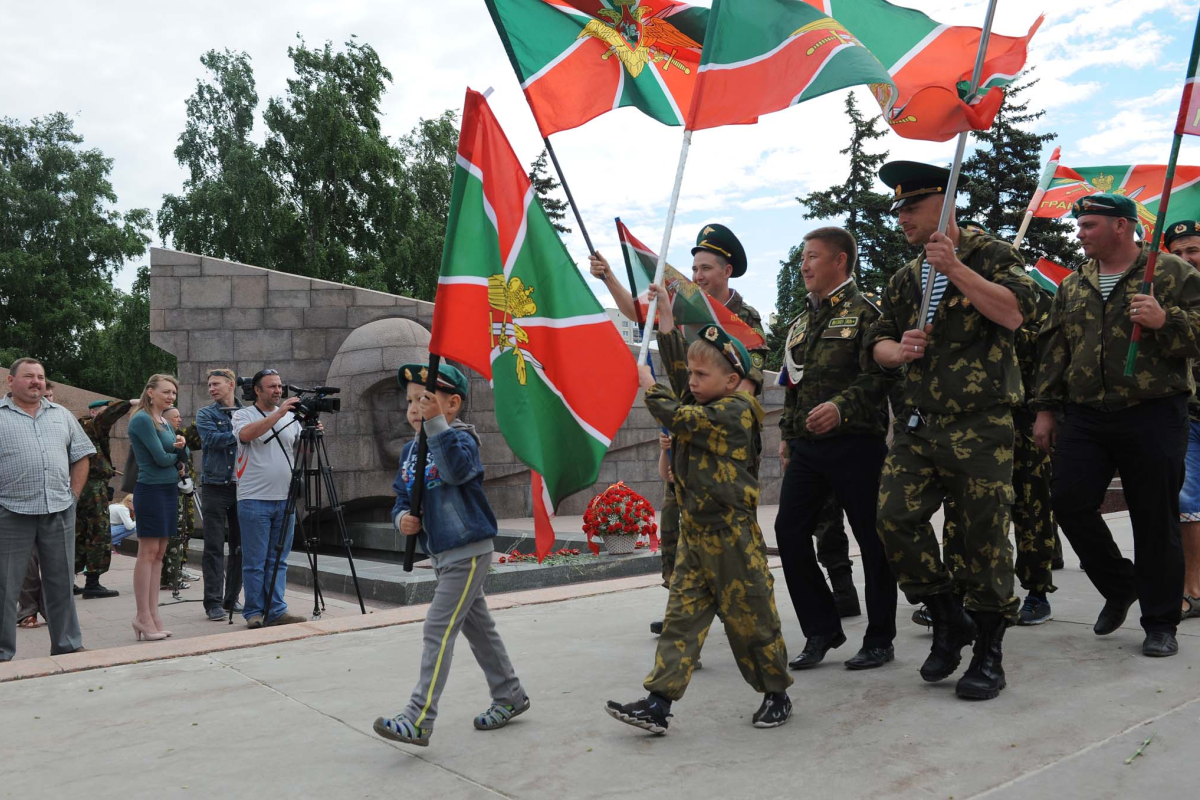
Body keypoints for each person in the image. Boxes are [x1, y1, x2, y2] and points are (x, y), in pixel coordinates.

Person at [866, 160, 1038, 701]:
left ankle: (989, 649)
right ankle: (946, 616)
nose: (902, 219)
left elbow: (1017, 313)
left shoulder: (994, 255)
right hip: (919, 425)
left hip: (980, 423)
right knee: (893, 519)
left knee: (982, 538)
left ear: (945, 206)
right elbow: (878, 341)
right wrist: (897, 351)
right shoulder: (904, 278)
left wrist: (957, 268)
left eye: (912, 208)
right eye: (898, 210)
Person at [606, 309, 792, 734]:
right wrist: (668, 325)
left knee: (752, 623)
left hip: (732, 539)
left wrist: (650, 389)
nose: (692, 381)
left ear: (731, 381)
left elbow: (684, 416)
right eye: (691, 372)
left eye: (701, 374)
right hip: (695, 537)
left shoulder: (737, 411)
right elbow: (681, 385)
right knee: (680, 621)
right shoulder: (706, 397)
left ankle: (776, 693)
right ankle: (658, 704)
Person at [1034, 195, 1200, 658]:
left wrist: (1167, 321)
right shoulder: (1074, 284)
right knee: (1067, 501)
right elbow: (1055, 349)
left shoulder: (1169, 271)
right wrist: (1046, 409)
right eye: (1080, 224)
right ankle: (1119, 583)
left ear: (1122, 227)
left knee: (1154, 518)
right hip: (1086, 414)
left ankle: (1161, 621)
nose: (1080, 232)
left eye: (1089, 224)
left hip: (1153, 410)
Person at [373, 363, 529, 748]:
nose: (413, 408)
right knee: (480, 629)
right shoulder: (411, 451)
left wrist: (436, 424)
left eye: (424, 399)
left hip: (468, 550)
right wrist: (402, 519)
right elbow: (401, 497)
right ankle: (510, 694)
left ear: (453, 404)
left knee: (437, 628)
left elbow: (459, 472)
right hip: (442, 554)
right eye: (410, 401)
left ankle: (418, 717)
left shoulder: (461, 439)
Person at [775, 226, 898, 672]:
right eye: (802, 258)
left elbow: (882, 375)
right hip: (808, 449)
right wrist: (788, 438)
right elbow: (793, 387)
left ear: (840, 261)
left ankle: (880, 637)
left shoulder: (868, 314)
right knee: (789, 533)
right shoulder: (800, 322)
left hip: (856, 444)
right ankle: (822, 628)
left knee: (873, 540)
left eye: (812, 256)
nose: (804, 265)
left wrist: (841, 408)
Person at [0, 358, 94, 661]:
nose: (36, 382)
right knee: (5, 585)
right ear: (11, 382)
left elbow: (81, 455)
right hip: (11, 511)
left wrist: (74, 496)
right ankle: (2, 651)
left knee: (61, 582)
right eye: (28, 376)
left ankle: (67, 644)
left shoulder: (62, 415)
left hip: (58, 509)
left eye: (40, 377)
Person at [232, 369, 307, 629]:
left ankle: (276, 610)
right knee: (255, 561)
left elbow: (300, 450)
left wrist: (311, 433)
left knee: (279, 560)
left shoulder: (292, 419)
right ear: (258, 390)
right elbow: (247, 435)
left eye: (279, 386)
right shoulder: (243, 415)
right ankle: (254, 612)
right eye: (272, 387)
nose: (278, 390)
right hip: (254, 499)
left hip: (285, 499)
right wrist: (280, 413)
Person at [126, 374, 190, 641]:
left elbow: (178, 459)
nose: (171, 396)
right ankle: (143, 616)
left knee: (160, 554)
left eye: (173, 393)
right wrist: (178, 455)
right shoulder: (142, 418)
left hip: (167, 489)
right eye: (166, 391)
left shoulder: (163, 420)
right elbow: (162, 458)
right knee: (148, 553)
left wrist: (179, 452)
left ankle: (153, 615)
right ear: (150, 392)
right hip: (151, 490)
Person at [1166, 220, 1200, 621]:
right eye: (1177, 253)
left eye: (1192, 250)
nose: (1185, 259)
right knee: (1188, 502)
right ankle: (1193, 588)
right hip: (1186, 415)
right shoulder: (1165, 299)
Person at [74, 396, 136, 598]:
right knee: (99, 532)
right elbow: (107, 417)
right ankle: (92, 583)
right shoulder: (91, 426)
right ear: (93, 413)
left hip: (87, 485)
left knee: (80, 533)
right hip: (92, 486)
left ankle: (69, 580)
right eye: (102, 411)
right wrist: (128, 403)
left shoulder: (82, 430)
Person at [195, 368, 244, 621]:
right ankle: (212, 602)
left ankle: (231, 598)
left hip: (243, 487)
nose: (211, 388)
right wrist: (244, 433)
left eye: (216, 384)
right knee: (213, 547)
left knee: (240, 547)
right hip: (215, 486)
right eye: (209, 384)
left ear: (231, 384)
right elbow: (212, 439)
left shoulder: (247, 413)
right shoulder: (205, 413)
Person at [160, 407, 200, 591]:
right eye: (176, 416)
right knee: (174, 533)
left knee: (186, 529)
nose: (179, 419)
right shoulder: (163, 437)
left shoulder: (179, 438)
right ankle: (169, 574)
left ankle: (178, 568)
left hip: (185, 490)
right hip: (171, 491)